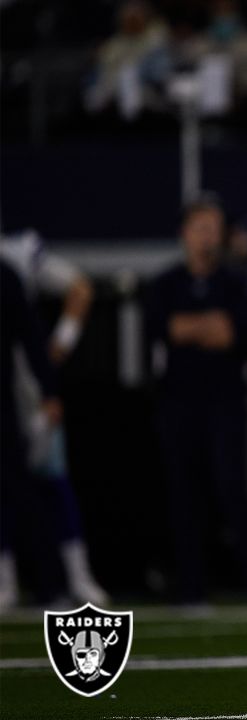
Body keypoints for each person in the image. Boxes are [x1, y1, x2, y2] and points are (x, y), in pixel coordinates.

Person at [146, 196, 247, 605]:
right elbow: (167, 330)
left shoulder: (236, 282)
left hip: (225, 400)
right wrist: (205, 327)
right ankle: (191, 588)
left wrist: (193, 328)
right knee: (184, 493)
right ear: (185, 232)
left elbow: (232, 334)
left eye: (214, 227)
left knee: (233, 489)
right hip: (180, 400)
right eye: (201, 227)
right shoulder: (165, 283)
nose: (208, 236)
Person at [0, 231, 108, 609]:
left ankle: (73, 578)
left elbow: (79, 288)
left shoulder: (16, 256)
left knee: (46, 479)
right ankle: (9, 582)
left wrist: (58, 346)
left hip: (24, 388)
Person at [0, 259, 63, 611]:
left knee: (21, 491)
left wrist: (49, 391)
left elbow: (31, 336)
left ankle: (50, 584)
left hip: (2, 403)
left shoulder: (5, 275)